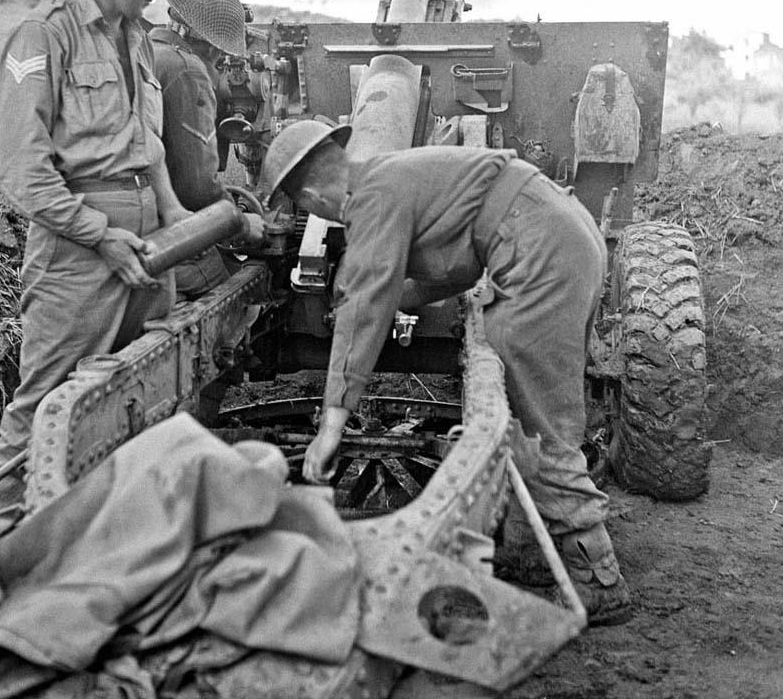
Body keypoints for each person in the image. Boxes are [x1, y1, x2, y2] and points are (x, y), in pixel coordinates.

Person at [261, 119, 632, 625]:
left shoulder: (369, 199)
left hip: (538, 249)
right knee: (526, 400)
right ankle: (531, 549)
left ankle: (600, 581)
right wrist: (396, 294)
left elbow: (362, 311)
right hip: (561, 228)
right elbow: (456, 260)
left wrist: (331, 425)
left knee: (541, 416)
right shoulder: (389, 175)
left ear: (308, 197)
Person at [0, 0, 197, 530]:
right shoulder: (45, 37)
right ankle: (0, 539)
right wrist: (99, 235)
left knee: (147, 388)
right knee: (49, 403)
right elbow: (22, 172)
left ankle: (111, 534)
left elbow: (146, 149)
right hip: (77, 253)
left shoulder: (137, 39)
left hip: (148, 244)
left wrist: (173, 216)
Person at [149, 0, 259, 297]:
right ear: (213, 45)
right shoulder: (187, 70)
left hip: (132, 219)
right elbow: (196, 188)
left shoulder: (147, 51)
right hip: (165, 238)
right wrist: (242, 222)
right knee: (238, 291)